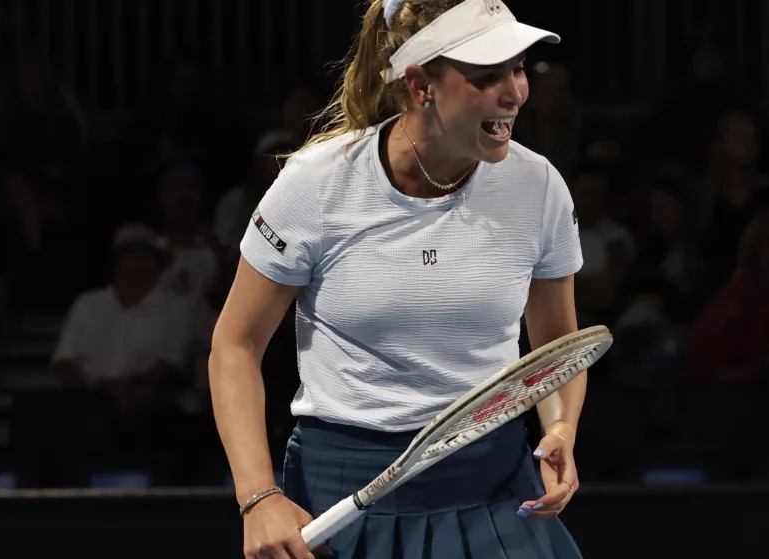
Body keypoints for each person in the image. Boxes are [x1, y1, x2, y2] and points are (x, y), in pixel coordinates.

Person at [208, 1, 586, 558]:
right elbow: (234, 344)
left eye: (519, 68)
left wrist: (559, 432)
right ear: (420, 85)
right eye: (486, 76)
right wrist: (258, 496)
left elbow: (557, 348)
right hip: (344, 492)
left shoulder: (539, 187)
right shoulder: (318, 182)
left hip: (495, 487)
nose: (515, 93)